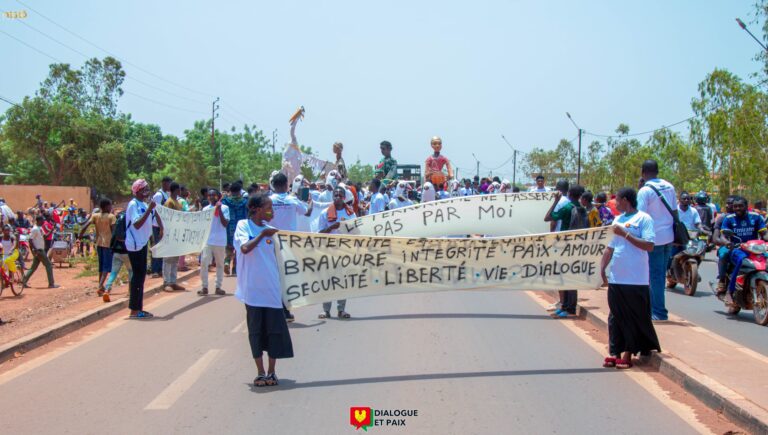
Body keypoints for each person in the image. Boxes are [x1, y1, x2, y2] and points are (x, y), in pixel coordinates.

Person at [234, 193, 294, 387]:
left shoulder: (272, 231)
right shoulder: (244, 226)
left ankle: (272, 372)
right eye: (269, 208)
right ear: (256, 209)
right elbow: (244, 248)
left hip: (272, 291)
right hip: (252, 292)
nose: (272, 212)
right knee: (256, 332)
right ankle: (260, 372)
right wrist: (261, 235)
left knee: (274, 332)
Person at [599, 187, 660, 370]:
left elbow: (649, 245)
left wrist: (625, 234)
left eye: (617, 200)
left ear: (625, 200)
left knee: (631, 317)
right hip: (617, 276)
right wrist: (602, 268)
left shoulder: (644, 219)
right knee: (615, 316)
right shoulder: (618, 220)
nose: (615, 204)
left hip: (636, 278)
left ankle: (628, 353)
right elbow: (610, 247)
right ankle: (614, 352)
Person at [268, 173, 313, 321]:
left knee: (274, 277)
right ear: (287, 185)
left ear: (273, 185)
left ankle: (276, 308)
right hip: (289, 244)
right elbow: (308, 212)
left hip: (271, 242)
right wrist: (310, 202)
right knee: (287, 277)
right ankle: (285, 310)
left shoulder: (268, 200)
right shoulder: (292, 200)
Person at [636, 159, 677, 321]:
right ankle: (653, 308)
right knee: (658, 275)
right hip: (668, 237)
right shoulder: (669, 186)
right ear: (657, 171)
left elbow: (640, 216)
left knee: (655, 276)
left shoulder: (645, 191)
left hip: (653, 239)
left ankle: (659, 312)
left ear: (643, 173)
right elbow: (675, 211)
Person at [715, 196, 768, 305]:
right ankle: (730, 290)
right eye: (735, 206)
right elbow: (723, 236)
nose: (737, 208)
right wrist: (727, 243)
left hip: (754, 248)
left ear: (746, 206)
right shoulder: (729, 218)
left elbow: (764, 234)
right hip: (737, 248)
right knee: (740, 260)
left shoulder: (756, 217)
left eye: (740, 206)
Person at [545, 184, 585, 317]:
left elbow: (548, 217)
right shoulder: (581, 208)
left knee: (564, 275)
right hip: (577, 245)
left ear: (569, 194)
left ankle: (568, 308)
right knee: (571, 275)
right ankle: (568, 307)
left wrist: (556, 201)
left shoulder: (567, 208)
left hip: (564, 244)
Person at [125, 179, 163, 319]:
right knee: (138, 276)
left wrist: (161, 226)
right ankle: (135, 310)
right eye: (144, 189)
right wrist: (149, 208)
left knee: (140, 277)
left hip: (142, 243)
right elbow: (137, 224)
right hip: (134, 245)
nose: (147, 191)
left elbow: (154, 217)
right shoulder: (133, 204)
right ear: (138, 191)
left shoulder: (144, 204)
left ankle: (137, 308)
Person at [318, 187, 356, 319]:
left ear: (344, 197)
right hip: (328, 251)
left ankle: (341, 309)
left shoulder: (351, 214)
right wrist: (331, 227)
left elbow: (356, 233)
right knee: (328, 281)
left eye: (340, 195)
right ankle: (326, 310)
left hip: (344, 252)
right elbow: (319, 234)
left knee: (342, 281)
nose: (338, 197)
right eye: (335, 195)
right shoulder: (324, 213)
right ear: (332, 196)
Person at [78, 198, 116, 295]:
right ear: (107, 206)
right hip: (108, 244)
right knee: (107, 267)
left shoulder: (95, 216)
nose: (111, 207)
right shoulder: (111, 217)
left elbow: (85, 226)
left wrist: (80, 236)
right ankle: (100, 286)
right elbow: (114, 231)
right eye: (110, 205)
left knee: (101, 265)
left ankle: (101, 286)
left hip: (99, 243)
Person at [199, 189, 229, 297]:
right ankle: (205, 287)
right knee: (204, 263)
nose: (211, 197)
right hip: (208, 240)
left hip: (220, 241)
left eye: (214, 195)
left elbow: (225, 223)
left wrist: (219, 209)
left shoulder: (225, 208)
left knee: (220, 264)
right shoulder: (206, 209)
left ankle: (218, 287)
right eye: (209, 195)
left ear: (218, 196)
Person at [161, 182, 185, 292]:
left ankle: (173, 281)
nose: (180, 191)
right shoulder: (169, 202)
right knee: (167, 258)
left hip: (177, 232)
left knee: (175, 259)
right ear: (175, 190)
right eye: (179, 189)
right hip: (170, 232)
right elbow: (166, 217)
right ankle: (166, 282)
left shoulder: (178, 203)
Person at [22, 215, 58, 289]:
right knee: (49, 265)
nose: (43, 221)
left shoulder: (40, 228)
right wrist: (34, 250)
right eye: (42, 220)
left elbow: (45, 236)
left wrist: (51, 230)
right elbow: (30, 240)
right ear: (38, 221)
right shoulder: (35, 229)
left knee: (33, 267)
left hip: (39, 250)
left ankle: (24, 281)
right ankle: (51, 284)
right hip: (39, 251)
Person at [223, 182, 248, 276]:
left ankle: (226, 262)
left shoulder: (225, 201)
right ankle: (235, 269)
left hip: (229, 226)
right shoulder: (245, 201)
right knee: (238, 248)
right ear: (239, 191)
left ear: (230, 191)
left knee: (229, 247)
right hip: (241, 227)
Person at [149, 176, 172, 278]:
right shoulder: (159, 195)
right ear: (164, 183)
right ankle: (155, 269)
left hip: (163, 224)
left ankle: (160, 269)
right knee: (157, 247)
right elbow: (156, 211)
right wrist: (161, 227)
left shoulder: (166, 195)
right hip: (157, 225)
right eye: (169, 183)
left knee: (162, 247)